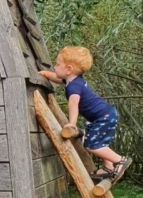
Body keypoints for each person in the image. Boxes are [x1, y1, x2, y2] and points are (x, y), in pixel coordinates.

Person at [40, 47, 132, 183]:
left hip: (103, 117)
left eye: (57, 64)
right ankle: (108, 168)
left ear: (69, 69)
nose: (55, 66)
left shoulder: (73, 87)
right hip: (103, 115)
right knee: (100, 142)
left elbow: (73, 104)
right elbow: (57, 78)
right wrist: (46, 74)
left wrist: (72, 122)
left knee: (92, 145)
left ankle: (119, 161)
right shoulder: (72, 80)